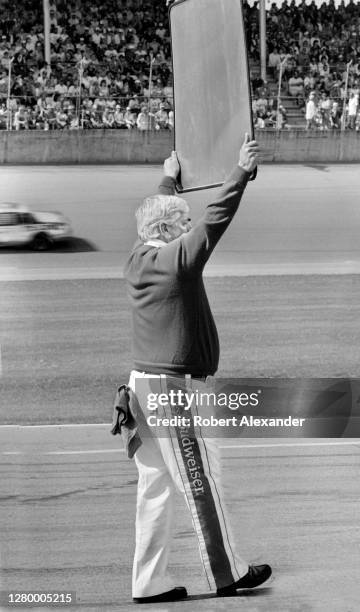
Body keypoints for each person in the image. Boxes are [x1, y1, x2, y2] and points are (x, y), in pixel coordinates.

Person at [112, 134, 272, 603]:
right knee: (201, 480)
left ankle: (148, 582)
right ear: (167, 232)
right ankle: (227, 574)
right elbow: (214, 220)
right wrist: (240, 172)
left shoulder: (138, 257)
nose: (188, 224)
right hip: (170, 390)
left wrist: (169, 177)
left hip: (141, 386)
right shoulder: (177, 262)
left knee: (156, 490)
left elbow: (160, 211)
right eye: (181, 221)